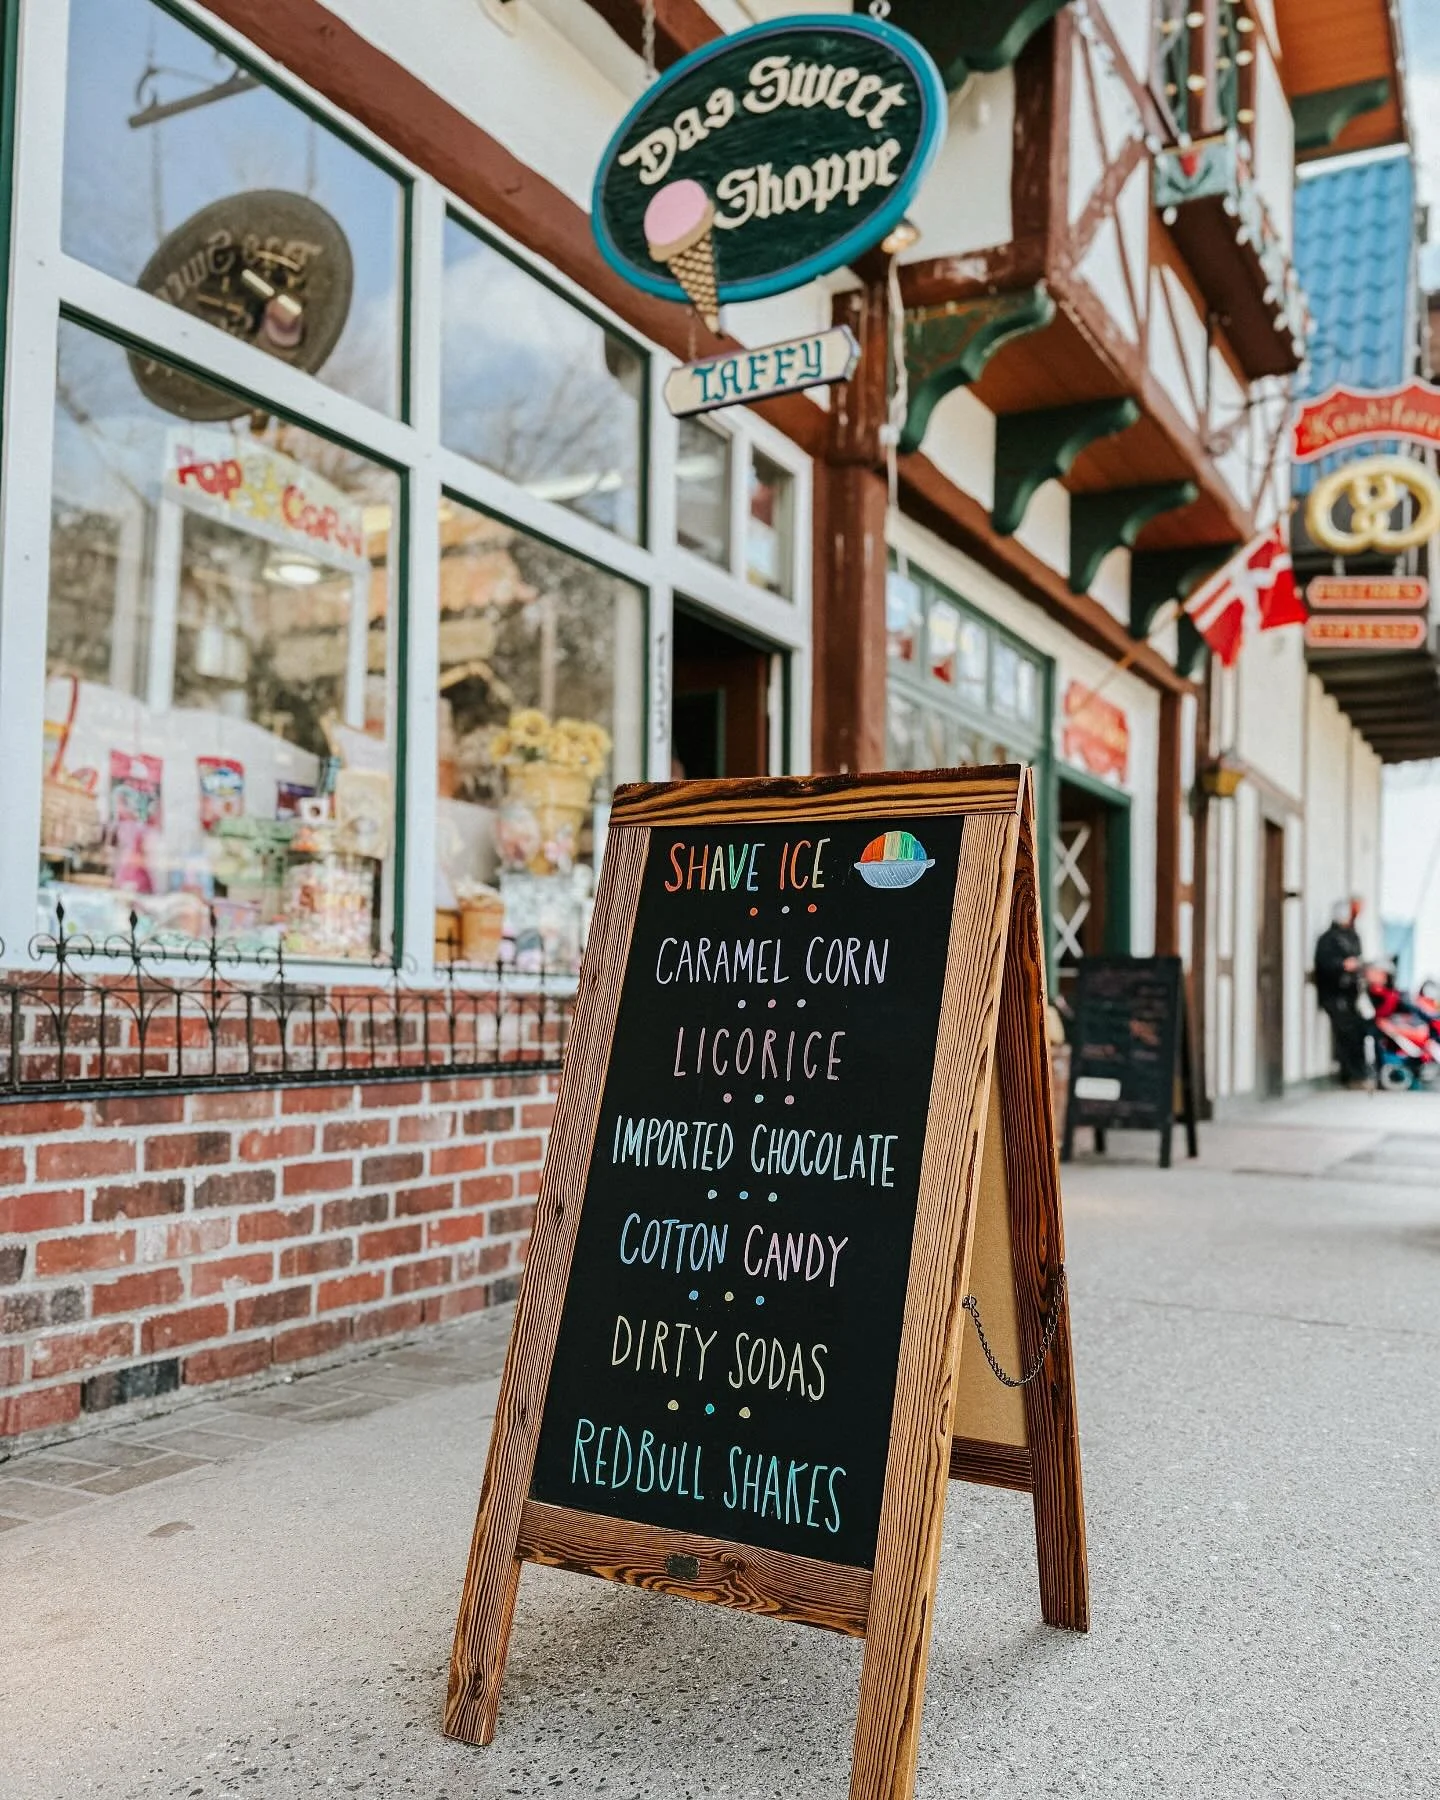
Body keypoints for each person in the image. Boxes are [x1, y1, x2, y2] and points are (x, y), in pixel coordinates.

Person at [1314, 898, 1368, 1086]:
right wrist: (1342, 965)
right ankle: (1350, 1074)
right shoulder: (1329, 939)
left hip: (1350, 994)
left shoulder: (1353, 937)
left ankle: (1359, 1074)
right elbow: (1324, 964)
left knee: (1358, 1031)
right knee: (1345, 1034)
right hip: (1335, 994)